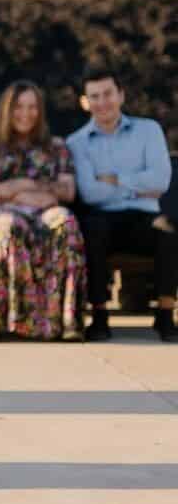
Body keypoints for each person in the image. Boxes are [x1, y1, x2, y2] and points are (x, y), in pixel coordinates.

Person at [0, 81, 86, 342]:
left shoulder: (55, 147)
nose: (26, 113)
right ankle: (0, 323)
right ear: (6, 110)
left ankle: (60, 323)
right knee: (9, 225)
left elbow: (67, 191)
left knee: (66, 222)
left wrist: (22, 189)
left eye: (33, 107)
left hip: (42, 213)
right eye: (19, 107)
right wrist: (20, 189)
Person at [66, 66, 176, 342]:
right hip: (102, 220)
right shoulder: (76, 142)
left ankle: (165, 316)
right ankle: (100, 318)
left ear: (121, 95)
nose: (102, 102)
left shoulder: (148, 130)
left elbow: (161, 181)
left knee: (169, 231)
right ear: (84, 102)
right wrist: (139, 187)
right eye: (95, 96)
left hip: (144, 218)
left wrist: (114, 180)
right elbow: (90, 194)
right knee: (92, 231)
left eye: (108, 94)